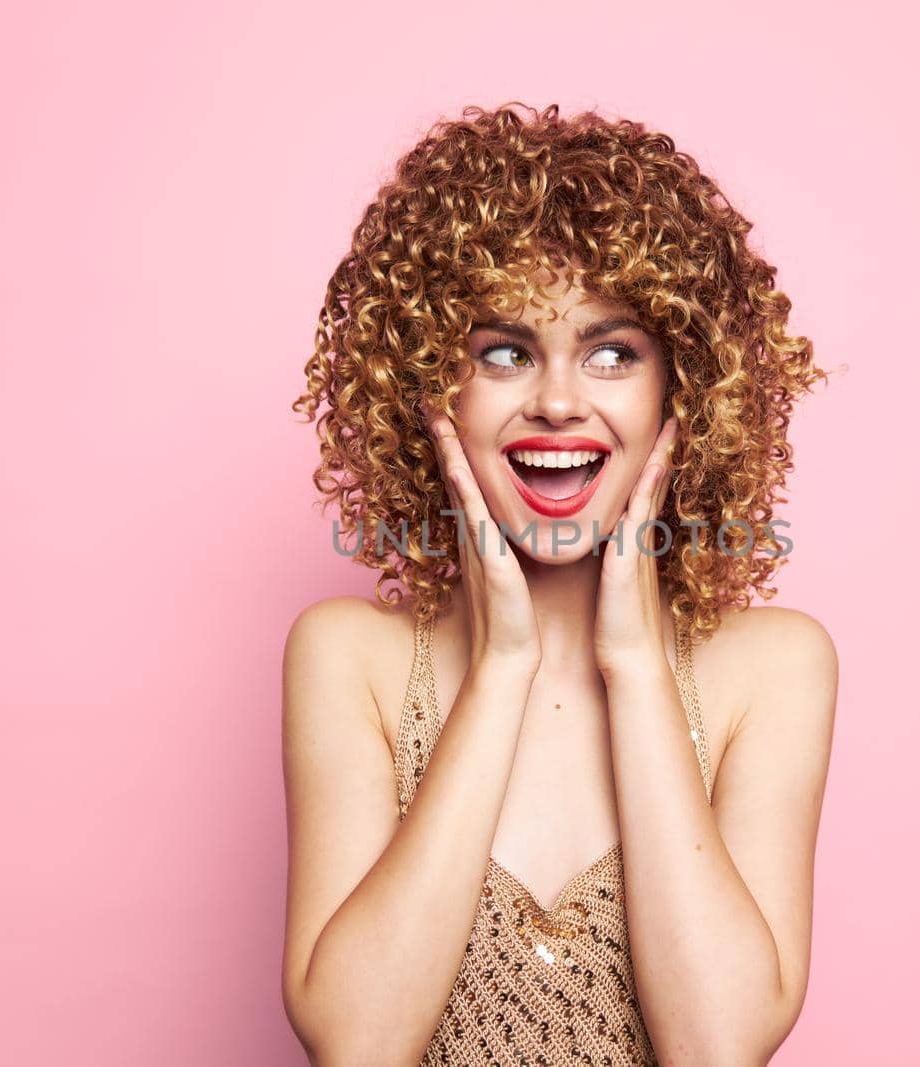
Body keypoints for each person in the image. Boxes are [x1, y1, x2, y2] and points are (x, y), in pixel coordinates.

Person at [281, 102, 840, 1066]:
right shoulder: (350, 659)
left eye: (612, 352)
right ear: (432, 381)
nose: (555, 399)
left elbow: (720, 1046)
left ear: (685, 389)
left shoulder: (775, 670)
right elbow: (354, 1043)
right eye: (504, 351)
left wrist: (633, 660)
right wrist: (502, 665)